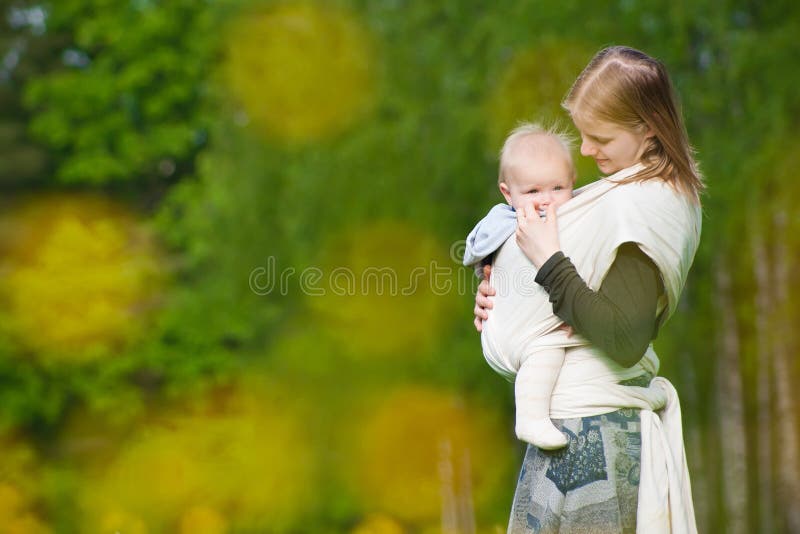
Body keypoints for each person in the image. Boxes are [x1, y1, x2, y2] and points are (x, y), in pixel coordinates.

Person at [472, 46, 703, 533]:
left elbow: (623, 339)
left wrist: (547, 263)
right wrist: (501, 296)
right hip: (572, 431)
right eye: (582, 134)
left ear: (648, 129)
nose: (586, 150)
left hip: (595, 441)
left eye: (600, 137)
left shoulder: (648, 205)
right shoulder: (622, 193)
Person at [462, 122, 578, 450]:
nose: (546, 201)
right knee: (547, 345)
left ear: (573, 183)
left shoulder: (577, 217)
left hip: (523, 322)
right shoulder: (509, 225)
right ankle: (530, 415)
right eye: (532, 192)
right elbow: (489, 260)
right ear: (507, 194)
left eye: (558, 188)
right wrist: (486, 279)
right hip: (511, 333)